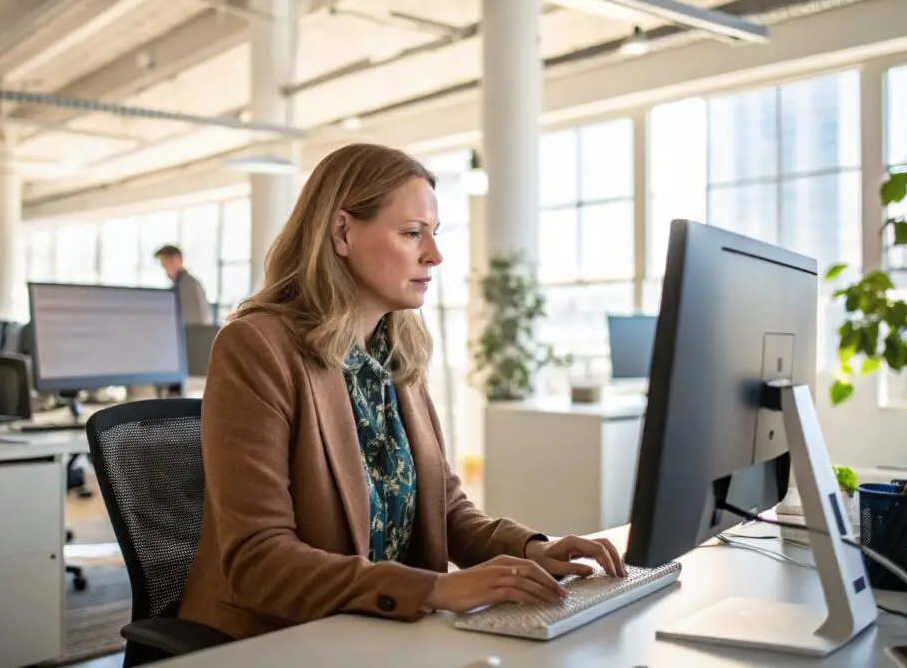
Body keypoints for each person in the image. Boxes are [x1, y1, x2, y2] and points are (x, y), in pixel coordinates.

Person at [177, 143, 627, 641]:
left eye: (433, 234)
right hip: (275, 639)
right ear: (342, 232)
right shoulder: (257, 347)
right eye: (413, 234)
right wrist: (434, 590)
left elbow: (444, 508)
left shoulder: (397, 350)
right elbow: (259, 558)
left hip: (382, 631)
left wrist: (532, 550)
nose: (434, 254)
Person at [154, 244, 212, 326]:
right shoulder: (181, 284)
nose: (165, 271)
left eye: (166, 265)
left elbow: (192, 323)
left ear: (177, 260)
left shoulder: (189, 286)